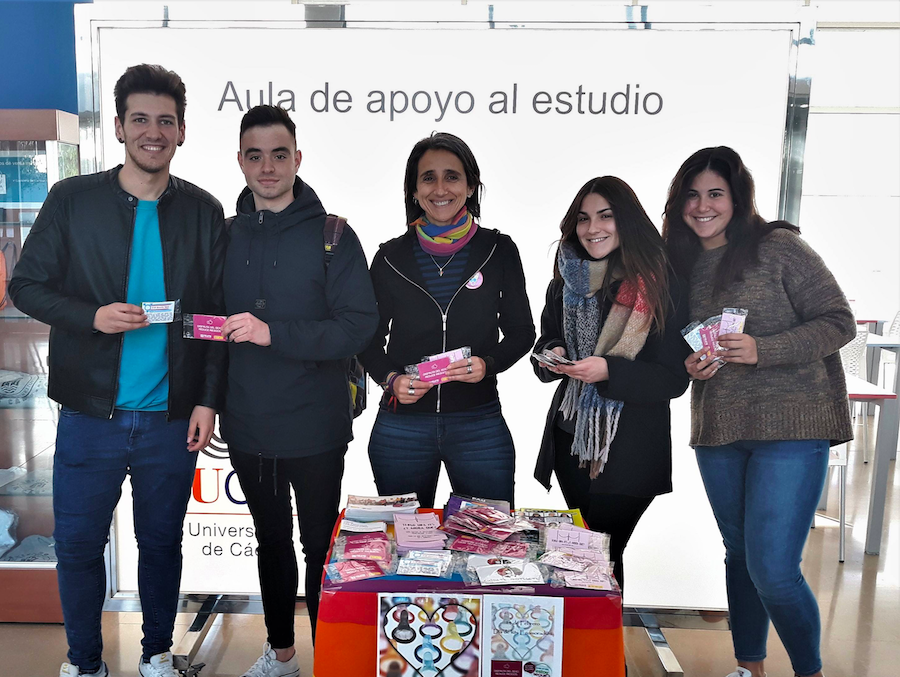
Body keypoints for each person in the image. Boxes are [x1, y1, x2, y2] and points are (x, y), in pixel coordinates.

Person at [8, 65, 226, 677]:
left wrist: (207, 400)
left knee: (160, 548)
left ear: (182, 130)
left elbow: (212, 317)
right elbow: (26, 286)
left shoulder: (203, 211)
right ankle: (85, 663)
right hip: (89, 416)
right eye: (140, 120)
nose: (152, 132)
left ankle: (157, 653)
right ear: (120, 127)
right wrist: (91, 316)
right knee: (77, 548)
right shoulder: (73, 201)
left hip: (171, 417)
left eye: (165, 120)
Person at [663, 146, 854, 677]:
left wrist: (762, 348)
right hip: (720, 428)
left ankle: (808, 671)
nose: (703, 206)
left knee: (772, 568)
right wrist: (691, 365)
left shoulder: (779, 247)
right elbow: (673, 348)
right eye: (692, 195)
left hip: (793, 426)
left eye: (715, 194)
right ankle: (750, 667)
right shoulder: (678, 263)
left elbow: (839, 321)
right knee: (740, 556)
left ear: (738, 197)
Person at [219, 105, 378, 677]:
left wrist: (272, 333)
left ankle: (329, 658)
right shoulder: (225, 235)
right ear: (240, 161)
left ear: (298, 159)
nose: (267, 167)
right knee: (271, 543)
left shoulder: (332, 233)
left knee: (318, 545)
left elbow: (358, 325)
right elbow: (212, 331)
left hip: (316, 422)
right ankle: (282, 654)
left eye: (279, 154)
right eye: (255, 155)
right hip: (248, 422)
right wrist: (208, 401)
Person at [359, 132, 535, 509]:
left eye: (452, 176)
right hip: (401, 426)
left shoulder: (499, 250)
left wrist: (488, 365)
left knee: (488, 547)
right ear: (413, 190)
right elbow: (367, 341)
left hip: (479, 423)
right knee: (404, 547)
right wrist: (392, 380)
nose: (441, 188)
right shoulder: (389, 257)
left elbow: (522, 332)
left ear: (471, 186)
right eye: (428, 177)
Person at [531, 176, 689, 591]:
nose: (592, 228)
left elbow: (673, 378)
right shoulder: (566, 282)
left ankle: (604, 655)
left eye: (605, 216)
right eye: (582, 218)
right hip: (571, 441)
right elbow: (545, 344)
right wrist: (553, 356)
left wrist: (609, 371)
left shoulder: (659, 285)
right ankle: (588, 652)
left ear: (627, 221)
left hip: (629, 452)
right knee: (583, 557)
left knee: (604, 558)